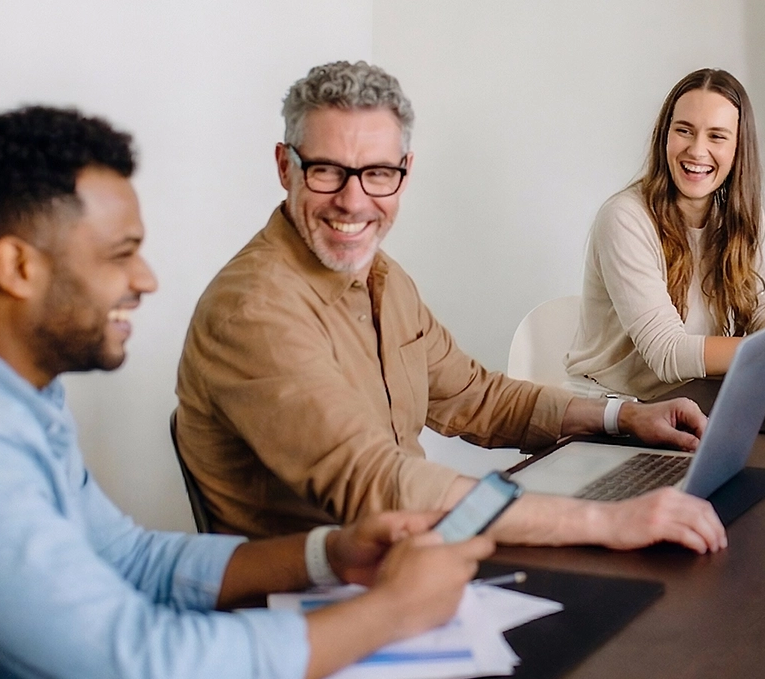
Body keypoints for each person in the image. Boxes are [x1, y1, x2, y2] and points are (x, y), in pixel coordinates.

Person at [0, 108, 486, 679]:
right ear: (17, 267)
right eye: (120, 253)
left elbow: (132, 562)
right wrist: (391, 611)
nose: (147, 278)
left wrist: (328, 554)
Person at [176, 61, 727, 554]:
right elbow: (378, 485)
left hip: (413, 558)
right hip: (319, 605)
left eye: (377, 173)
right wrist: (604, 520)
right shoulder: (253, 311)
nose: (353, 199)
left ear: (405, 172)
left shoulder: (384, 280)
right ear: (284, 167)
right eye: (325, 170)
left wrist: (623, 415)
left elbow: (478, 398)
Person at [566, 69, 765, 399]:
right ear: (665, 136)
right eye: (684, 131)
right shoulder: (625, 218)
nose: (697, 151)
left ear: (738, 148)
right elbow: (668, 355)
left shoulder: (742, 214)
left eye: (716, 136)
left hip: (697, 397)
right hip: (615, 410)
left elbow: (762, 307)